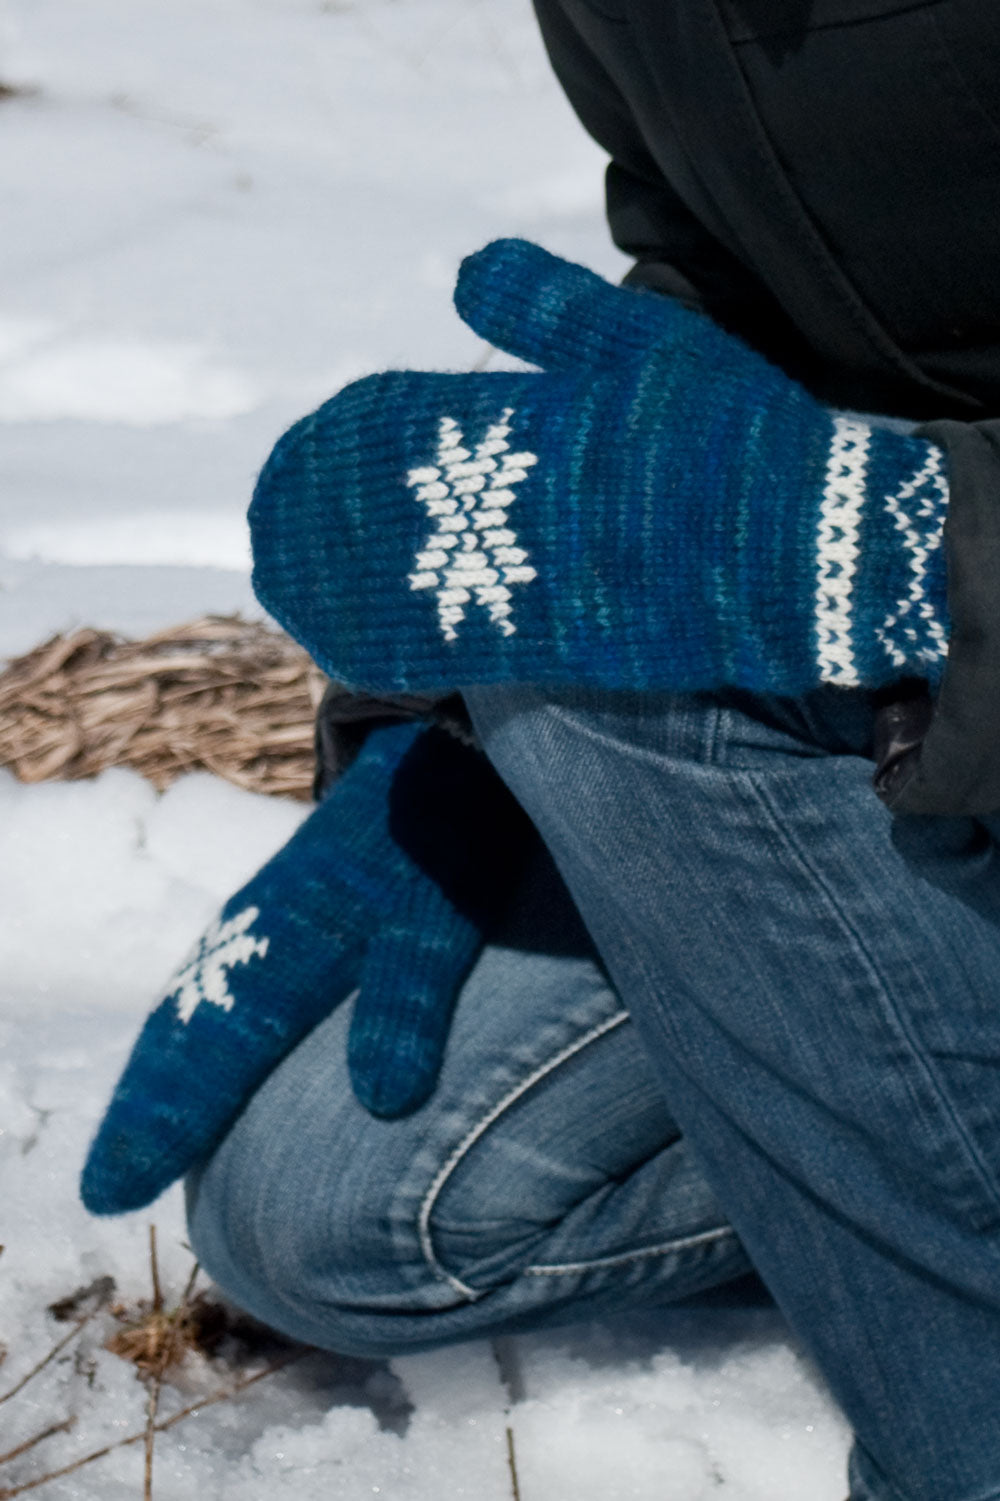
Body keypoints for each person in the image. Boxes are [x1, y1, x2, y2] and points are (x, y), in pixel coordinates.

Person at [82, 4, 1000, 1498]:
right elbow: (721, 299)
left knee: (612, 643)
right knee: (339, 1205)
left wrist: (906, 553)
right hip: (933, 709)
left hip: (947, 627)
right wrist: (449, 736)